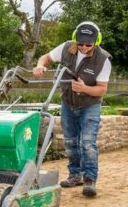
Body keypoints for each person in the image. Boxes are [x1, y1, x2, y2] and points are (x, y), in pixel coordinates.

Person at [32, 21, 111, 197]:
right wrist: (40, 65)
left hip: (90, 105)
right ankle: (75, 175)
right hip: (68, 103)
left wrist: (84, 89)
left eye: (88, 44)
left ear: (96, 41)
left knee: (88, 142)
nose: (83, 47)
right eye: (80, 43)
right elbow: (46, 58)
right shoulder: (67, 48)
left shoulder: (103, 59)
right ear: (76, 39)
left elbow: (102, 89)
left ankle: (89, 179)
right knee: (70, 142)